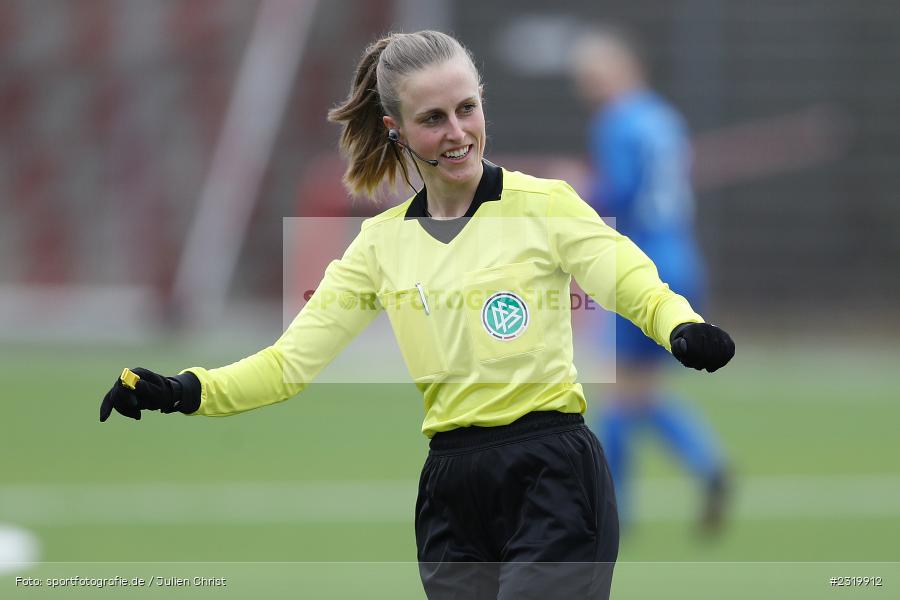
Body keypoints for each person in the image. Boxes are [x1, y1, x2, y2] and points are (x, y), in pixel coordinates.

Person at [99, 30, 734, 599]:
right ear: (396, 128)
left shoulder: (547, 204)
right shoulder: (378, 245)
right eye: (433, 118)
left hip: (554, 477)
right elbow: (289, 365)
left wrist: (679, 326)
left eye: (467, 108)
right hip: (451, 494)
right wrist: (182, 391)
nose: (457, 131)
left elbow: (625, 275)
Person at [571, 26, 731, 532]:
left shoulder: (616, 122)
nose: (588, 87)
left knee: (618, 392)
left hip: (639, 266)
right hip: (681, 257)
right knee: (638, 392)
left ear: (625, 68)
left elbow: (618, 192)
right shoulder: (664, 117)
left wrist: (577, 191)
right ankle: (707, 463)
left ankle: (614, 508)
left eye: (595, 75)